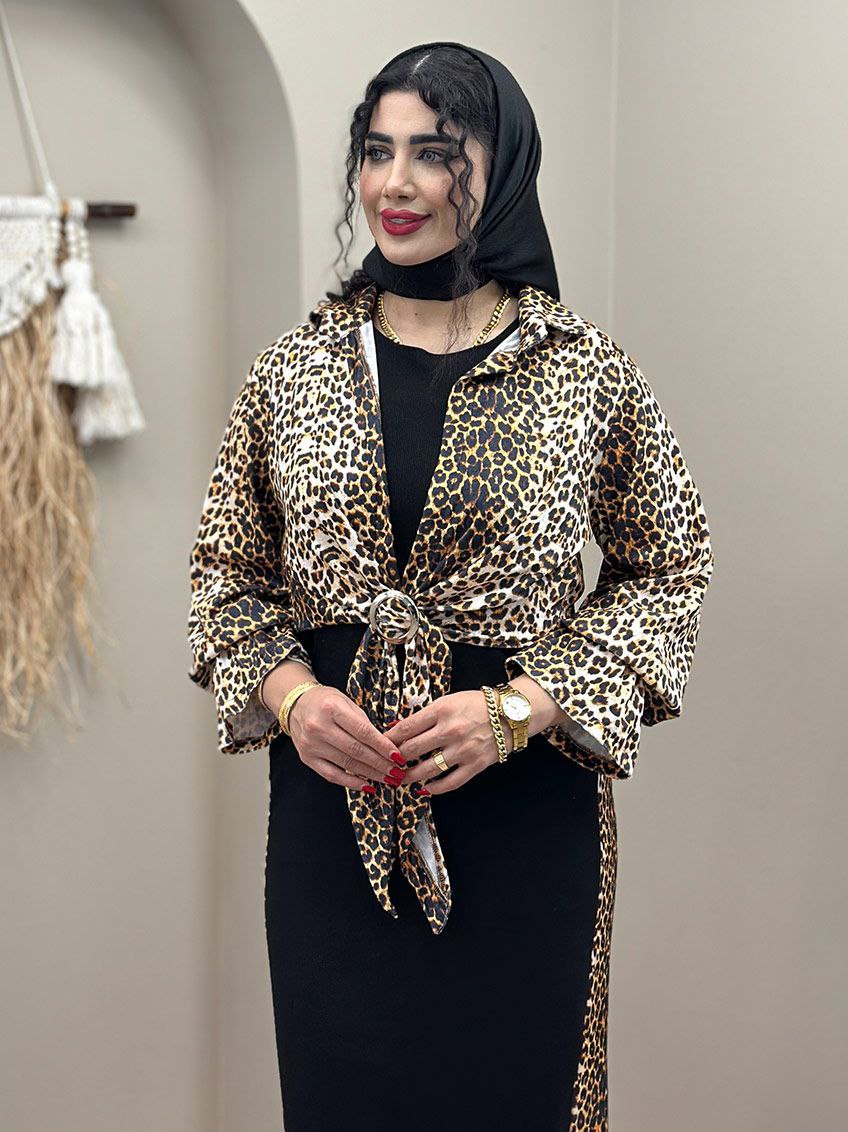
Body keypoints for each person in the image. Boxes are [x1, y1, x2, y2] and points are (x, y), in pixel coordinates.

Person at [187, 41, 715, 1132]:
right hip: (335, 817)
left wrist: (518, 709)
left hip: (524, 815)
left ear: (499, 167)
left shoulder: (584, 369)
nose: (396, 183)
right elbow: (225, 577)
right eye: (377, 151)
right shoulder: (293, 368)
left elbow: (669, 566)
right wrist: (292, 696)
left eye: (435, 153)